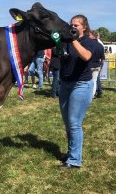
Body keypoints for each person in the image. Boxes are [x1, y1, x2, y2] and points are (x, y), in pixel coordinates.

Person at [59, 14, 96, 169]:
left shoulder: (90, 42)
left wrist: (73, 40)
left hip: (81, 85)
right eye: (71, 25)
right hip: (65, 84)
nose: (72, 27)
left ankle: (74, 161)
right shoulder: (65, 41)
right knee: (68, 124)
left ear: (84, 27)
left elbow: (86, 56)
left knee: (74, 123)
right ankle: (71, 153)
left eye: (76, 25)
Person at [89, 30, 105, 98]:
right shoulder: (100, 46)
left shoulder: (89, 44)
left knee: (87, 81)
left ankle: (88, 95)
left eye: (89, 35)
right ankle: (92, 95)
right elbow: (102, 58)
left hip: (89, 65)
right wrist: (100, 67)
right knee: (94, 81)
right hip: (97, 65)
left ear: (93, 35)